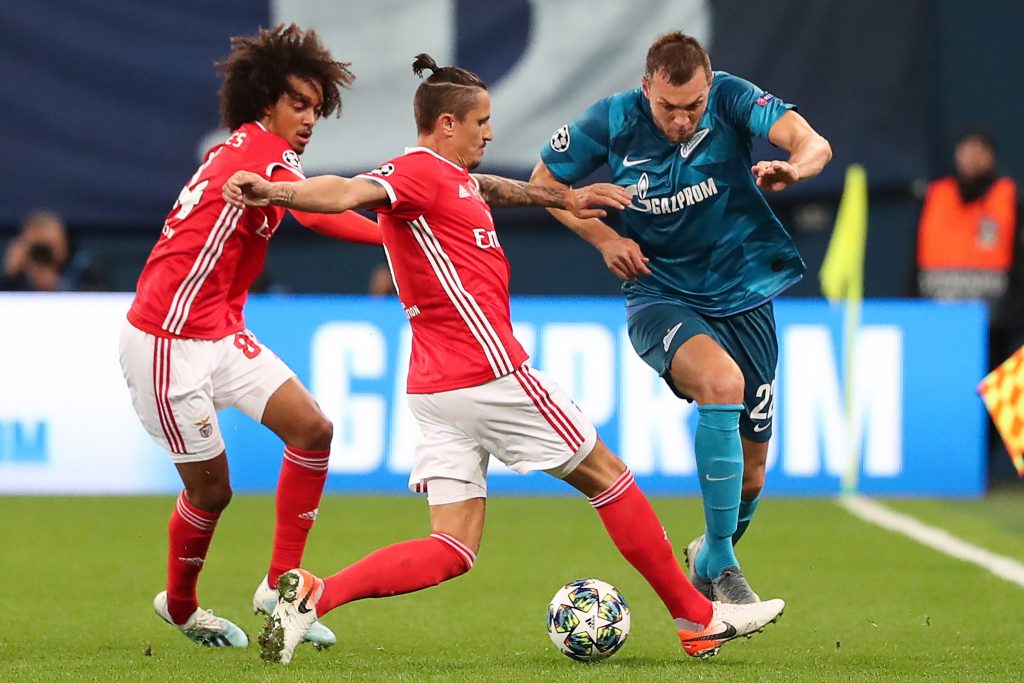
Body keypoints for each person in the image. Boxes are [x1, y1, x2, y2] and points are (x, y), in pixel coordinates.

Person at [224, 53, 785, 665]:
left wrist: (566, 197)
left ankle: (313, 596)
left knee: (452, 548)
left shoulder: (450, 177)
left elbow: (492, 187)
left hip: (434, 391)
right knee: (608, 476)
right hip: (489, 372)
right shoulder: (412, 172)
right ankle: (698, 618)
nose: (490, 132)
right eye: (482, 122)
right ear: (446, 124)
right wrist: (277, 189)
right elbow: (346, 191)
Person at [530, 31, 832, 603]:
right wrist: (602, 239)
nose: (681, 120)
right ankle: (724, 576)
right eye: (669, 108)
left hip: (745, 294)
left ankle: (711, 554)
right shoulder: (613, 119)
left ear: (709, 87)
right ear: (647, 89)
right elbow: (543, 184)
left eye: (693, 106)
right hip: (659, 293)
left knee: (752, 476)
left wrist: (798, 169)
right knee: (722, 384)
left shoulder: (732, 99)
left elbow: (812, 142)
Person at [118, 24, 383, 650]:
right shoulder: (257, 152)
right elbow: (318, 206)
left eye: (318, 107)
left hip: (217, 332)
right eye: (300, 103)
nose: (311, 117)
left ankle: (279, 583)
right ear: (266, 100)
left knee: (312, 429)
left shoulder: (263, 153)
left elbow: (295, 202)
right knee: (212, 491)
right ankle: (180, 606)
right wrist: (395, 237)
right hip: (167, 341)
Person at [917, 130, 1020, 368]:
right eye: (967, 149)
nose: (972, 157)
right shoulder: (936, 195)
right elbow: (917, 255)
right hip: (939, 317)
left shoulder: (1009, 198)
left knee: (994, 389)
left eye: (980, 150)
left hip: (995, 325)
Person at [0, 210, 107, 291]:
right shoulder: (18, 276)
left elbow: (100, 301)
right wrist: (11, 276)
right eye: (38, 248)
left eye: (48, 248)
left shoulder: (82, 268)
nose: (43, 255)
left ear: (64, 243)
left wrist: (59, 287)